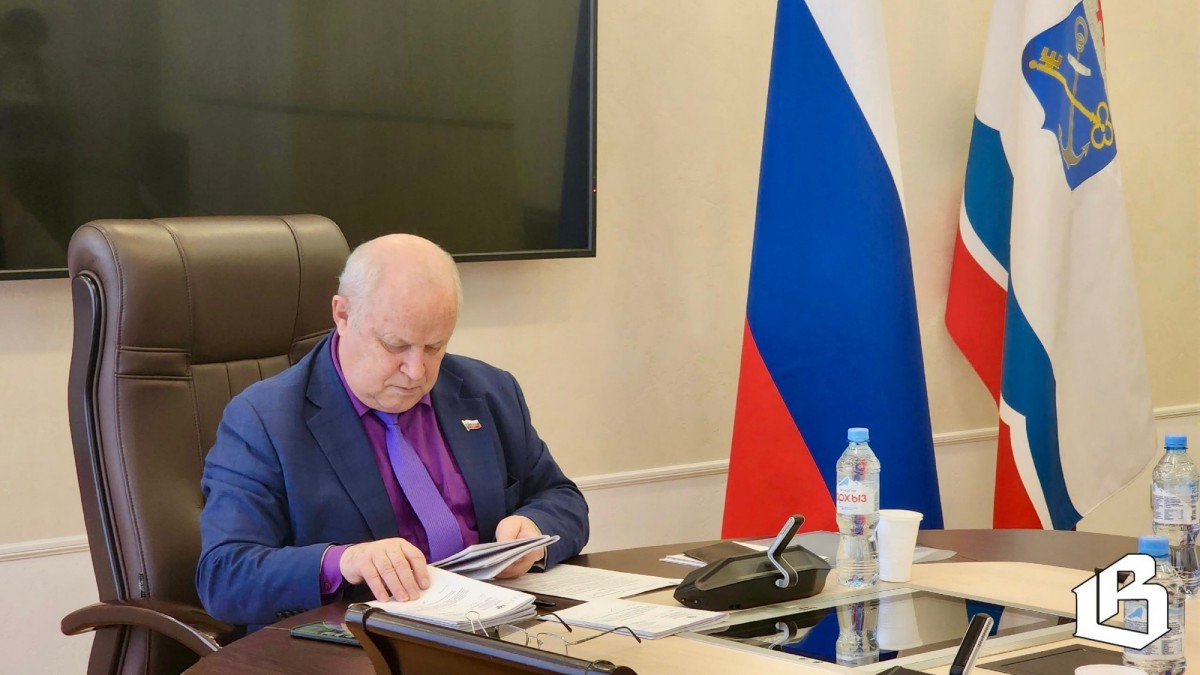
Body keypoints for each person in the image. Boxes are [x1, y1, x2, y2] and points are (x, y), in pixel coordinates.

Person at [196, 234, 589, 628]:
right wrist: (344, 561)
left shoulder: (489, 392)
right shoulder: (265, 420)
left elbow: (562, 498)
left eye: (434, 347)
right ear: (342, 315)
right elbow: (224, 575)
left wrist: (533, 533)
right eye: (395, 345)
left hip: (493, 628)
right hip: (359, 641)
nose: (416, 371)